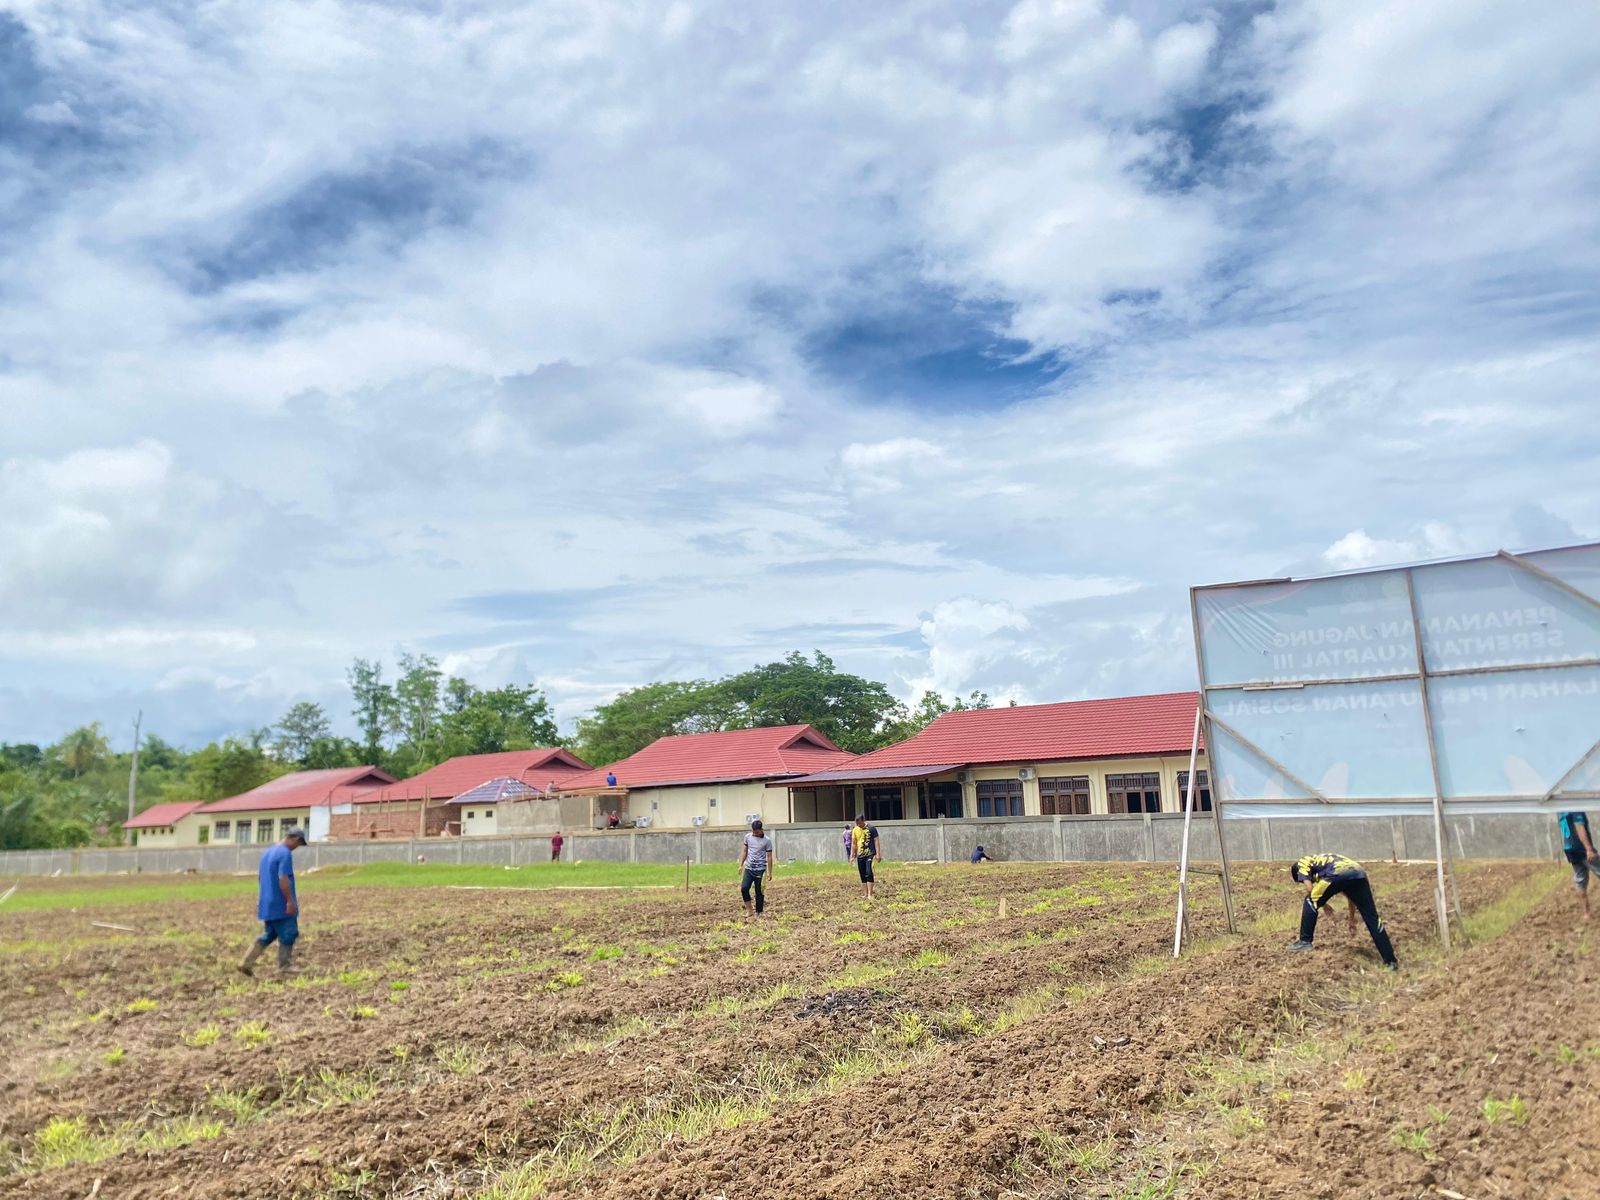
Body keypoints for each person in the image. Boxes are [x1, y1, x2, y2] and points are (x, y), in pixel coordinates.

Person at [1287, 852, 1397, 970]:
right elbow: (1351, 897)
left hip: (1336, 873)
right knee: (1372, 918)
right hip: (1358, 872)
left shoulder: (1302, 863)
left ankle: (1305, 941)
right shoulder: (1321, 862)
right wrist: (1351, 919)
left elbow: (1309, 889)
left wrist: (1324, 905)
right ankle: (1390, 961)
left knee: (1310, 901)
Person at [239, 827, 307, 977]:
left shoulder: (267, 853)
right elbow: (283, 878)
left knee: (270, 933)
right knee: (289, 932)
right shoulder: (284, 853)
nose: (297, 847)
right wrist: (289, 901)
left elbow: (260, 878)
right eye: (299, 844)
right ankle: (285, 966)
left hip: (267, 901)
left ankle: (246, 962)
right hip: (280, 902)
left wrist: (261, 898)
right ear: (296, 839)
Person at [1558, 811, 1600, 920]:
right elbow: (1579, 827)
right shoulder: (1576, 809)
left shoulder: (1561, 812)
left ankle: (1586, 913)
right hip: (1582, 849)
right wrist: (1589, 849)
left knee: (1580, 879)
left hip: (1570, 849)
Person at [739, 819, 775, 918]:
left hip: (760, 869)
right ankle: (749, 910)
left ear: (761, 829)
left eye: (757, 832)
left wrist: (769, 872)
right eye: (753, 832)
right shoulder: (748, 837)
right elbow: (745, 851)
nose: (755, 834)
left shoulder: (767, 841)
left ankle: (759, 912)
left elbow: (769, 857)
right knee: (744, 888)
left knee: (759, 891)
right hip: (749, 868)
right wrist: (741, 864)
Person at [851, 814, 880, 900]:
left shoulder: (871, 828)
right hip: (860, 854)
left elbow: (876, 841)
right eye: (857, 824)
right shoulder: (855, 830)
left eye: (860, 823)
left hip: (870, 853)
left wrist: (878, 854)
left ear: (863, 820)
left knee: (869, 872)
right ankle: (865, 893)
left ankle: (870, 894)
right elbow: (853, 843)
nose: (858, 825)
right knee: (862, 873)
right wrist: (852, 856)